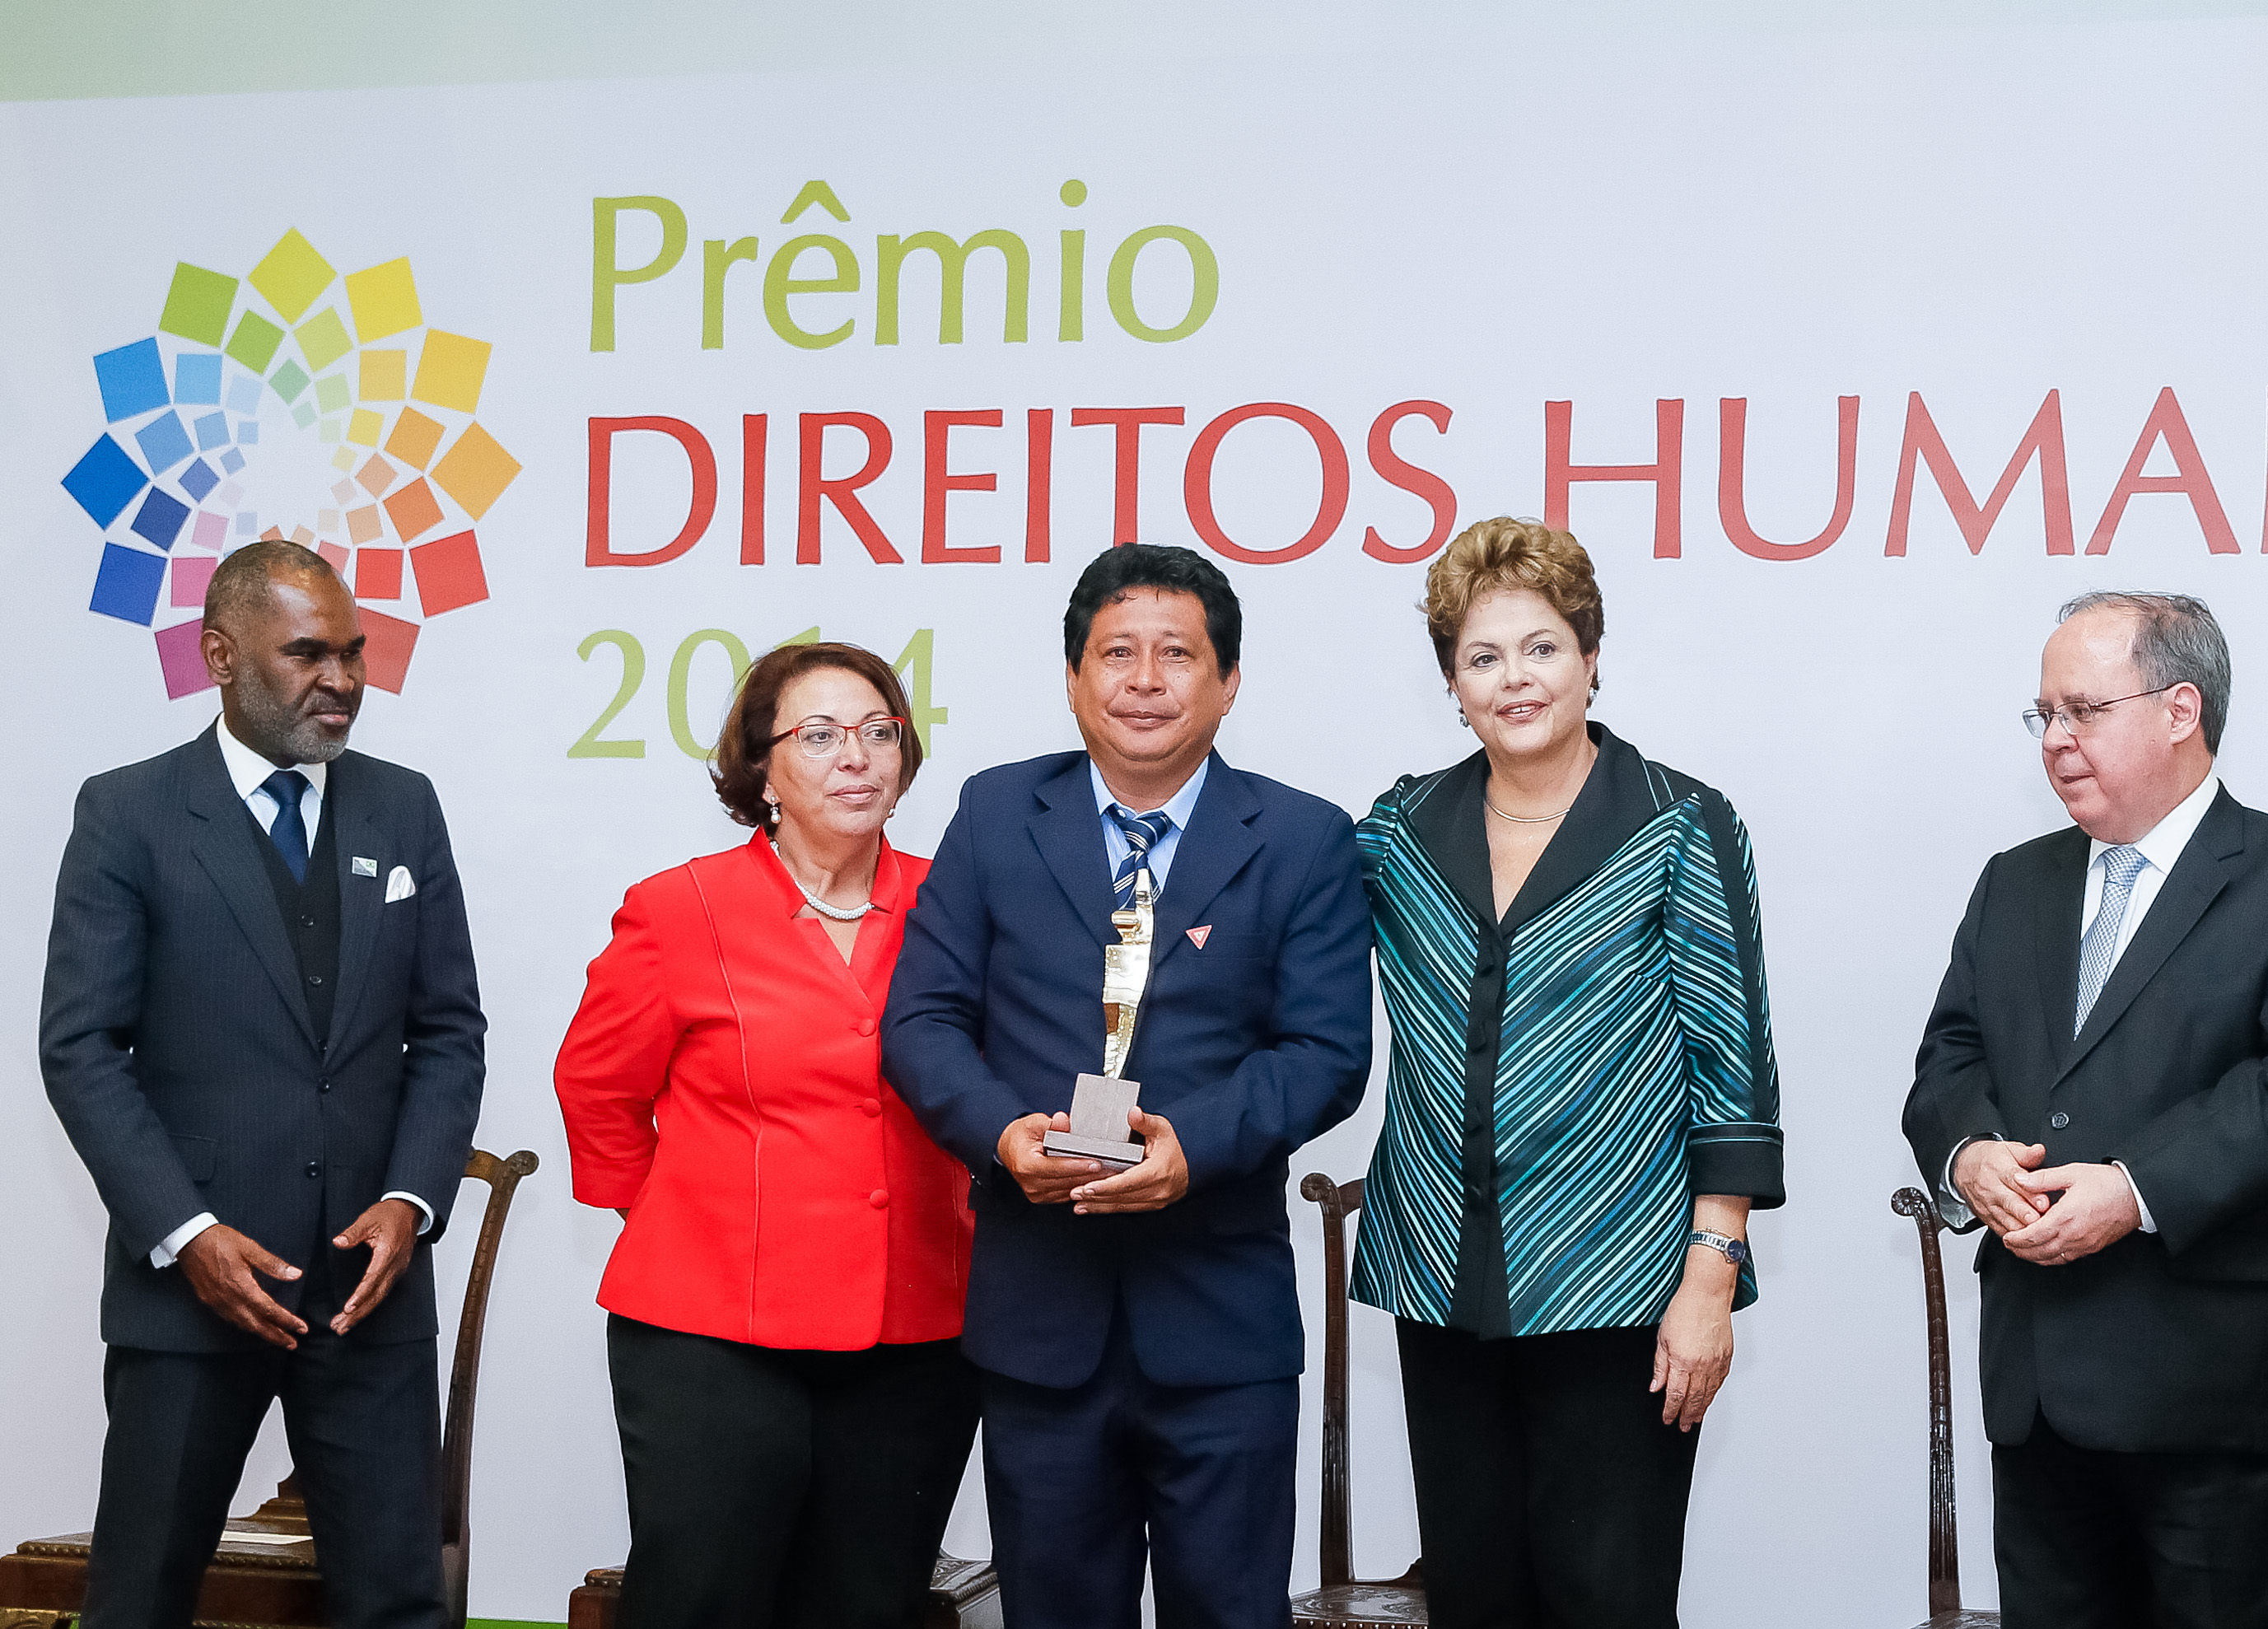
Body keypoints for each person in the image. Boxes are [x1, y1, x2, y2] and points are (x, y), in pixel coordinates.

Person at [882, 544, 1373, 1629]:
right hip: (1038, 1320)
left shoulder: (1303, 838)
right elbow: (921, 1020)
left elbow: (1325, 1050)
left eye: (1177, 654)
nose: (1144, 679)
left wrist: (1190, 1147)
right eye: (1116, 653)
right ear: (1073, 678)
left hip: (1221, 1327)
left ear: (1228, 681)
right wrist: (1002, 1132)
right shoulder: (996, 812)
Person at [1900, 590, 2268, 1628]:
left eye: (2082, 709)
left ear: (2179, 710)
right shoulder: (2013, 882)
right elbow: (1949, 1056)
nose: (2055, 738)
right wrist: (1969, 1154)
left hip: (2225, 1401)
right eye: (2043, 714)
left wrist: (2134, 1189)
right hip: (2040, 1398)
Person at [39, 539, 488, 1629]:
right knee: (138, 1599)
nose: (341, 678)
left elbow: (448, 1031)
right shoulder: (129, 811)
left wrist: (412, 1199)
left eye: (353, 652)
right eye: (307, 653)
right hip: (190, 1291)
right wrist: (185, 1231)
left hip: (367, 1294)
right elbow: (82, 1047)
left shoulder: (404, 806)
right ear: (221, 655)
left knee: (400, 1606)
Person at [1346, 517, 1786, 1629]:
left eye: (1541, 647)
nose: (1515, 678)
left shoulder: (1679, 823)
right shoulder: (1398, 828)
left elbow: (1732, 1064)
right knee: (1475, 1600)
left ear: (1591, 656)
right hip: (1439, 1273)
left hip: (1621, 1285)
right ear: (1452, 684)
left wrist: (1711, 1276)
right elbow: (1273, 945)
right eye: (1482, 656)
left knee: (1609, 1599)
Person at [553, 643, 973, 1629]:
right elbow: (597, 1086)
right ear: (762, 769)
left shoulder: (955, 904)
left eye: (879, 733)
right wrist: (683, 1214)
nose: (856, 756)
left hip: (915, 1330)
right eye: (819, 735)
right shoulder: (678, 908)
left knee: (867, 1608)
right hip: (709, 1335)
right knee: (701, 1601)